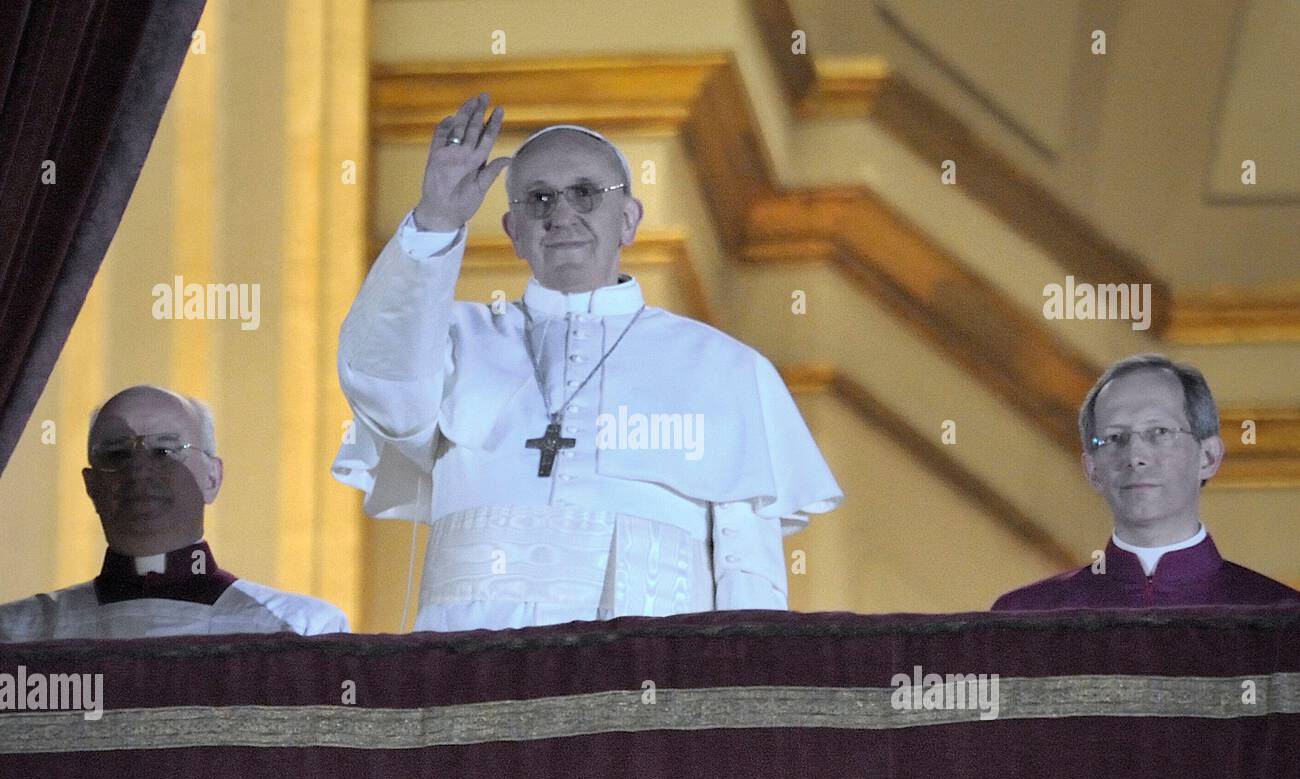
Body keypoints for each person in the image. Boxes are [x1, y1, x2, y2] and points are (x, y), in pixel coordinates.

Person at [333, 93, 842, 631]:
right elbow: (382, 390)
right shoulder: (452, 339)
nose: (562, 214)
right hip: (467, 672)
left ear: (628, 220)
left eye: (585, 193)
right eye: (540, 199)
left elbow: (748, 575)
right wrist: (435, 219)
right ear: (513, 233)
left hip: (646, 678)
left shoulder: (727, 369)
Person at [0, 385, 350, 640]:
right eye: (117, 454)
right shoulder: (19, 634)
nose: (139, 471)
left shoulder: (305, 629)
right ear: (91, 487)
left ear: (212, 477)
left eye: (165, 451)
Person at [993, 354, 1300, 609]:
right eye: (1114, 438)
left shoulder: (1279, 620)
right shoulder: (1025, 618)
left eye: (1159, 433)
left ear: (1207, 457)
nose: (1135, 455)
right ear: (1093, 470)